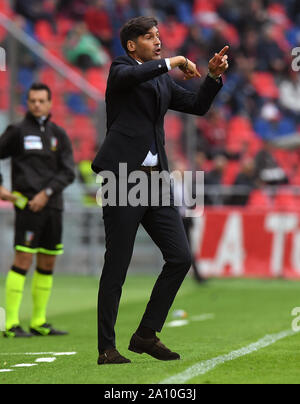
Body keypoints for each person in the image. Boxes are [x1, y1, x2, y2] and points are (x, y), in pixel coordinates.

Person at [92, 16, 229, 365]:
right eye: (149, 37)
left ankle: (146, 334)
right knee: (117, 265)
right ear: (131, 45)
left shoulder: (161, 82)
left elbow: (198, 106)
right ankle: (107, 348)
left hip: (155, 182)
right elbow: (136, 75)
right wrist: (171, 62)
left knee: (181, 257)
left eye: (158, 36)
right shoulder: (121, 69)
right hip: (122, 179)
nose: (157, 40)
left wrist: (212, 76)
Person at [0, 83, 75, 338]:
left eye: (41, 100)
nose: (37, 105)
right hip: (28, 206)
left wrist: (47, 193)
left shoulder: (59, 134)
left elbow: (68, 172)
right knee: (22, 260)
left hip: (53, 206)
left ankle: (39, 321)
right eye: (32, 100)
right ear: (27, 103)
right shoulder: (17, 131)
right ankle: (10, 323)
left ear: (50, 103)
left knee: (48, 261)